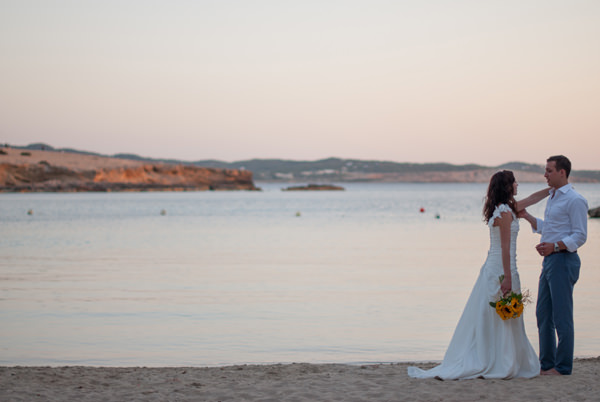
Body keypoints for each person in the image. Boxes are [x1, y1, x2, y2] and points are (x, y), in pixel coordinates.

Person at [408, 171, 549, 380]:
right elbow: (504, 248)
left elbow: (532, 199)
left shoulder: (506, 209)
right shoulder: (505, 213)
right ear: (507, 186)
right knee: (498, 314)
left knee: (494, 315)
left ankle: (503, 357)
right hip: (502, 268)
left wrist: (555, 189)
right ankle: (498, 360)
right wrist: (508, 277)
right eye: (514, 182)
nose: (518, 185)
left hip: (495, 266)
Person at [519, 155, 588, 376]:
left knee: (561, 317)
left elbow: (580, 236)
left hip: (564, 260)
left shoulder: (575, 200)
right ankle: (546, 365)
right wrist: (528, 217)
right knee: (543, 315)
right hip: (550, 261)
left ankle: (563, 367)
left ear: (562, 172)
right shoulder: (553, 197)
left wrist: (555, 247)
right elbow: (550, 228)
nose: (545, 175)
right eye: (545, 170)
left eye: (549, 170)